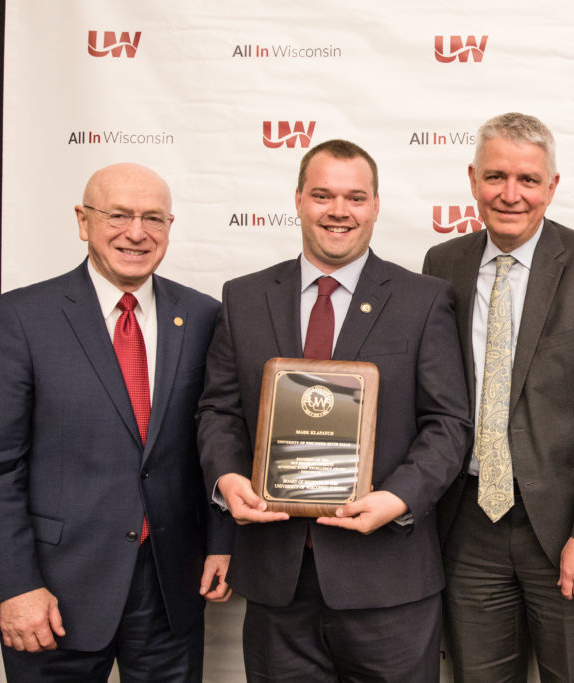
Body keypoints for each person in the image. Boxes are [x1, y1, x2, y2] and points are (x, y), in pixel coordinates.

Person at [196, 138, 471, 682]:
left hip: (388, 579)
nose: (338, 211)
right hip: (277, 579)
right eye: (322, 195)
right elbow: (219, 412)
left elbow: (448, 425)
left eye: (355, 197)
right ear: (298, 199)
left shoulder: (423, 300)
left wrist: (397, 499)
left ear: (375, 206)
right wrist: (227, 479)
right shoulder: (244, 297)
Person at [0, 162, 234, 682]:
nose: (137, 232)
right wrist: (14, 585)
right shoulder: (23, 318)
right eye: (119, 215)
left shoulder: (203, 316)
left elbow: (217, 435)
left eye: (153, 218)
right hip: (52, 594)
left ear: (170, 227)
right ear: (83, 221)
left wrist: (221, 541)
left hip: (171, 589)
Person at [422, 112, 574, 681]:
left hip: (567, 525)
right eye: (496, 177)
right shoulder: (441, 264)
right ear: (473, 179)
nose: (510, 194)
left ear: (552, 186)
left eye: (527, 179)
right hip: (468, 523)